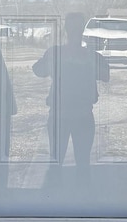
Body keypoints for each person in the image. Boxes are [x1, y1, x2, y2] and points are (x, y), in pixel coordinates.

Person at [32, 12, 109, 176]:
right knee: (56, 163)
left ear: (81, 30)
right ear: (67, 29)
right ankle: (55, 196)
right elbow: (38, 70)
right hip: (61, 116)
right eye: (72, 28)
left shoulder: (90, 55)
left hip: (82, 115)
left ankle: (81, 197)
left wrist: (87, 62)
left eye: (77, 28)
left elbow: (105, 74)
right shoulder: (56, 53)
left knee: (82, 164)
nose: (75, 31)